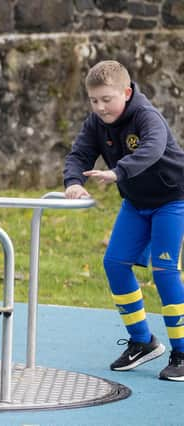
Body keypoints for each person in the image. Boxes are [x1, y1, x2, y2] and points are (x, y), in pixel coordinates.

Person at [64, 60, 184, 381]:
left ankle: (182, 351)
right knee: (115, 263)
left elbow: (152, 149)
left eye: (107, 99)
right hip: (136, 203)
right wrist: (73, 182)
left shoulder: (146, 116)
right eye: (94, 100)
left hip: (172, 200)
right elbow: (79, 154)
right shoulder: (95, 123)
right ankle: (143, 341)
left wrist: (118, 172)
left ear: (126, 93)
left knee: (164, 271)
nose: (100, 107)